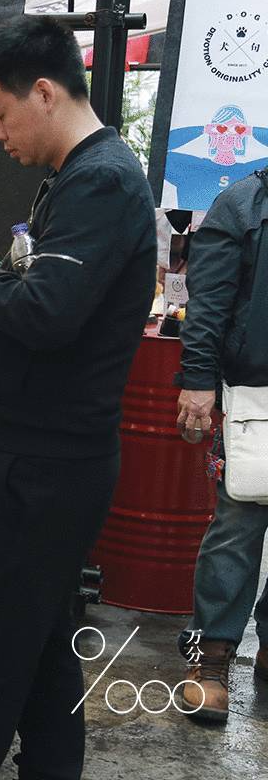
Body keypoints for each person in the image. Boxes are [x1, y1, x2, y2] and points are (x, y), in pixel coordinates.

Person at [0, 16, 156, 780]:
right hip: (46, 456)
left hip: (45, 464)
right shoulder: (84, 177)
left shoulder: (100, 180)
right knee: (43, 644)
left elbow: (47, 313)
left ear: (44, 92)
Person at [175, 168, 268, 721]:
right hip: (254, 395)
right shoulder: (244, 205)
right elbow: (207, 304)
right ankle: (208, 659)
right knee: (237, 526)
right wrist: (197, 382)